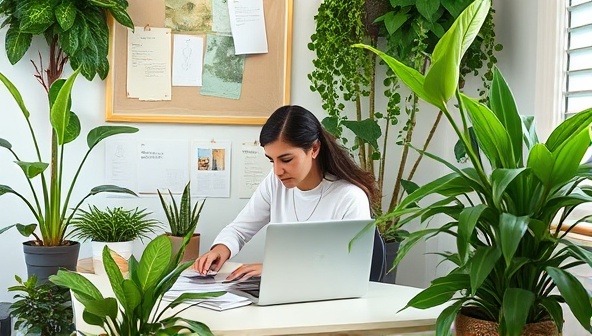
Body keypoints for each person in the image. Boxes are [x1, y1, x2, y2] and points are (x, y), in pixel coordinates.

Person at [193, 105, 378, 280]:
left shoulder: (350, 197)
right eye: (271, 161)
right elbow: (239, 230)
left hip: (328, 303)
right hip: (281, 295)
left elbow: (350, 269)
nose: (277, 171)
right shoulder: (275, 183)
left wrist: (276, 271)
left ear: (314, 149)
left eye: (286, 159)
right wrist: (220, 249)